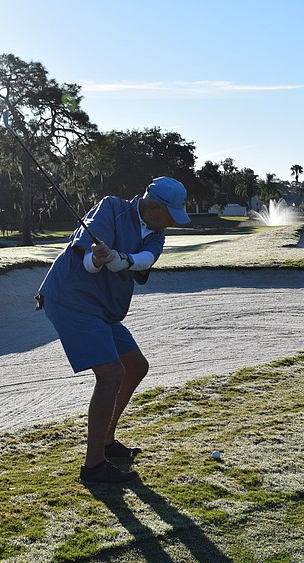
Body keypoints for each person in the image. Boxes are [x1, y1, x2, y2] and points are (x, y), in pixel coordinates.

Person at [36, 177, 191, 484]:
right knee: (111, 373)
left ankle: (106, 441)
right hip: (71, 299)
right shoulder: (112, 208)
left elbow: (146, 259)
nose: (173, 221)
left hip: (102, 310)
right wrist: (98, 258)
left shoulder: (156, 233)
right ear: (155, 207)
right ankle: (93, 467)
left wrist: (124, 260)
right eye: (171, 213)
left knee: (136, 366)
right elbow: (87, 263)